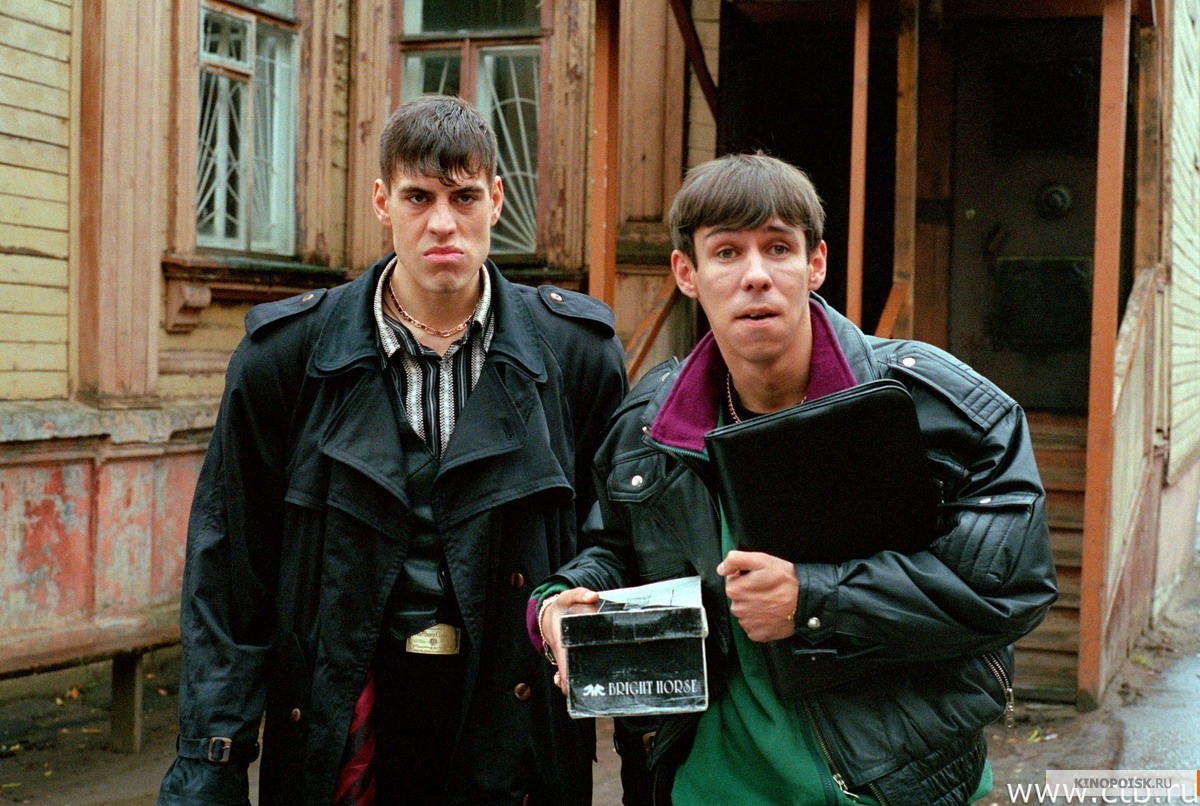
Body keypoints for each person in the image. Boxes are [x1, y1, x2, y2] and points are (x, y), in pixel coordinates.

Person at [534, 153, 1058, 805]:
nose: (755, 275)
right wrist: (563, 601)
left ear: (816, 264)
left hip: (896, 786)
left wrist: (814, 600)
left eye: (778, 248)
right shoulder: (649, 424)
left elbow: (1011, 586)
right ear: (687, 273)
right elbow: (616, 549)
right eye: (726, 252)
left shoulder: (938, 406)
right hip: (706, 788)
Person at [158, 94, 627, 805]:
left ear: (497, 200)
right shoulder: (286, 360)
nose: (443, 222)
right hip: (344, 726)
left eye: (464, 197)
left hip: (514, 728)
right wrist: (211, 761)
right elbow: (230, 570)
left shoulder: (576, 357)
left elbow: (614, 536)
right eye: (418, 197)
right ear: (383, 201)